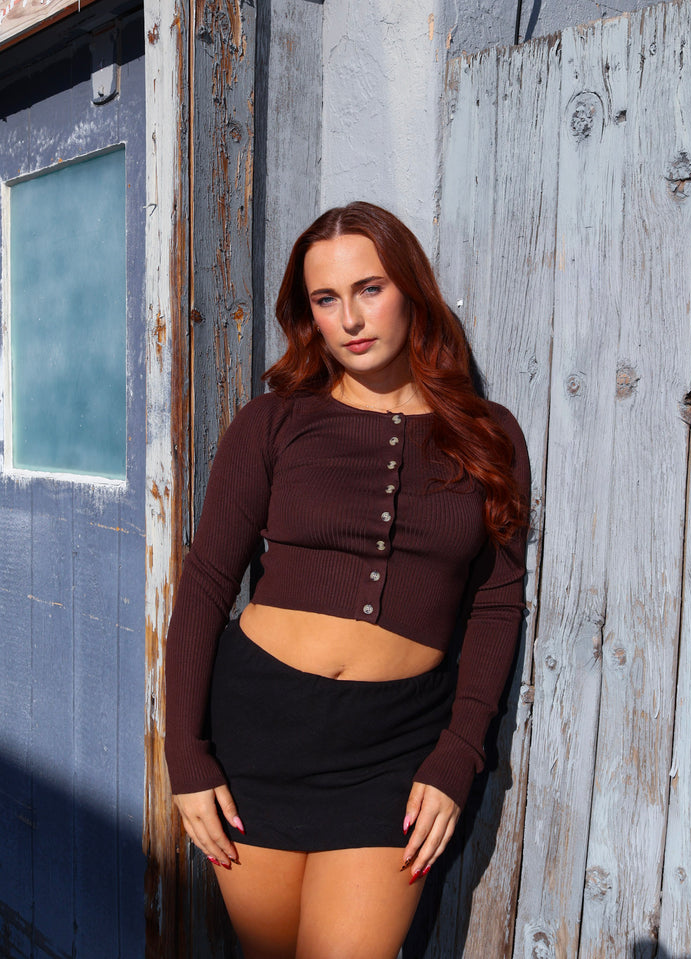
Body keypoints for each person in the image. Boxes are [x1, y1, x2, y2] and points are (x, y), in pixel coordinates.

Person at [164, 201, 530, 959]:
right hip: (257, 730)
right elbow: (205, 583)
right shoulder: (272, 423)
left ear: (411, 289)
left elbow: (496, 602)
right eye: (326, 299)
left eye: (369, 288)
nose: (351, 318)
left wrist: (459, 751)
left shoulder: (489, 435)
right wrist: (187, 757)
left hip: (392, 748)